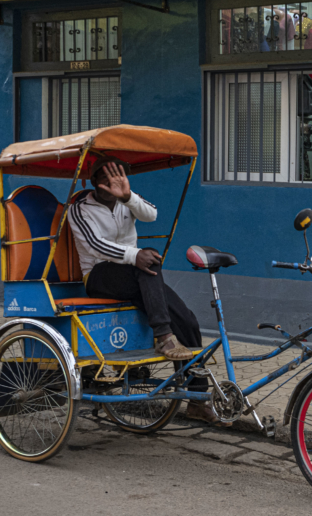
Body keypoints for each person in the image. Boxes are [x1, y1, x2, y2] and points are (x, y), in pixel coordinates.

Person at [68, 157, 216, 421]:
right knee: (146, 261)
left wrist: (127, 196)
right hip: (99, 276)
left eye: (118, 176)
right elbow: (95, 245)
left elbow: (152, 214)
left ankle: (196, 399)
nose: (113, 182)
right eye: (106, 177)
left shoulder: (127, 201)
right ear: (94, 181)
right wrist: (134, 255)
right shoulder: (79, 209)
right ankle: (163, 335)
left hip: (135, 276)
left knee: (188, 321)